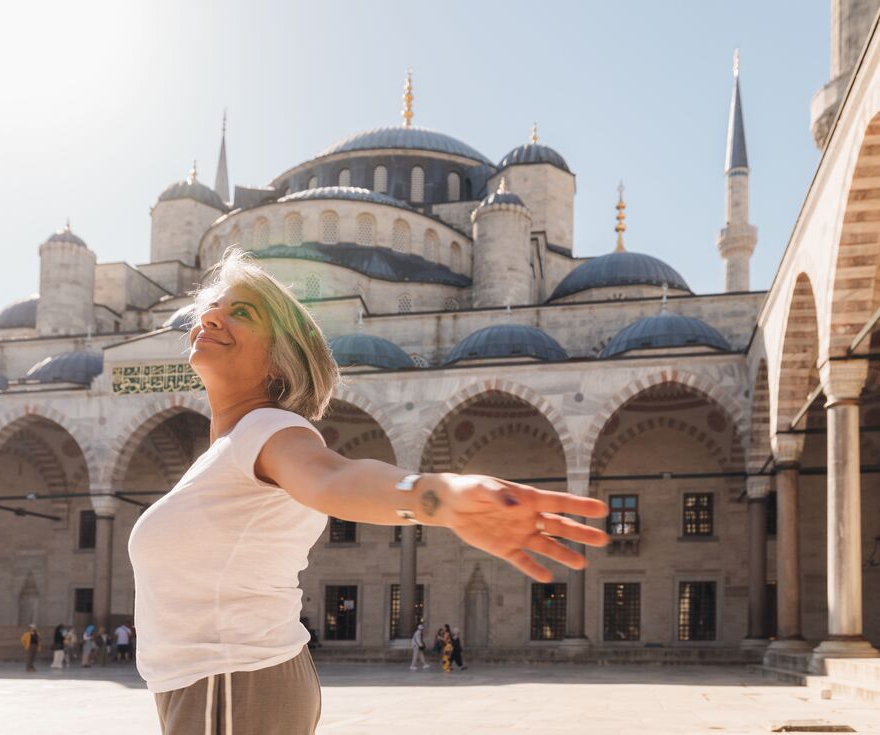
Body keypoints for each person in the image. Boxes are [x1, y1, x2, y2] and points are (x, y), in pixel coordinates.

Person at [128, 249, 608, 734]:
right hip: (216, 686)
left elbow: (334, 479)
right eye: (211, 307)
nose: (211, 317)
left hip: (232, 684)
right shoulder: (229, 450)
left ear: (280, 360)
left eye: (242, 312)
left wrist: (436, 497)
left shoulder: (267, 430)